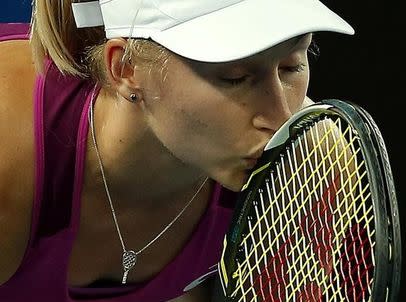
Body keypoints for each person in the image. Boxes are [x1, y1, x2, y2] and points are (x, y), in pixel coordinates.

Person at [0, 0, 353, 301]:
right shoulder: (10, 154)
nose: (281, 117)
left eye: (292, 66)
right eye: (235, 77)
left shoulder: (310, 161)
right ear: (125, 68)